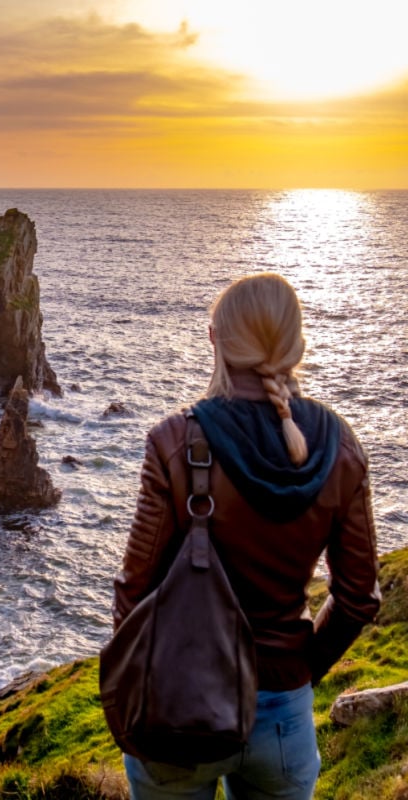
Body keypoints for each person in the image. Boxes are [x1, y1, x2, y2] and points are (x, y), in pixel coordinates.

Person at [113, 273, 381, 800]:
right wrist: (300, 671)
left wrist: (132, 689)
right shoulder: (340, 447)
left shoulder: (174, 442)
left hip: (178, 709)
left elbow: (134, 589)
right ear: (297, 345)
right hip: (283, 715)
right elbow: (358, 597)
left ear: (217, 341)